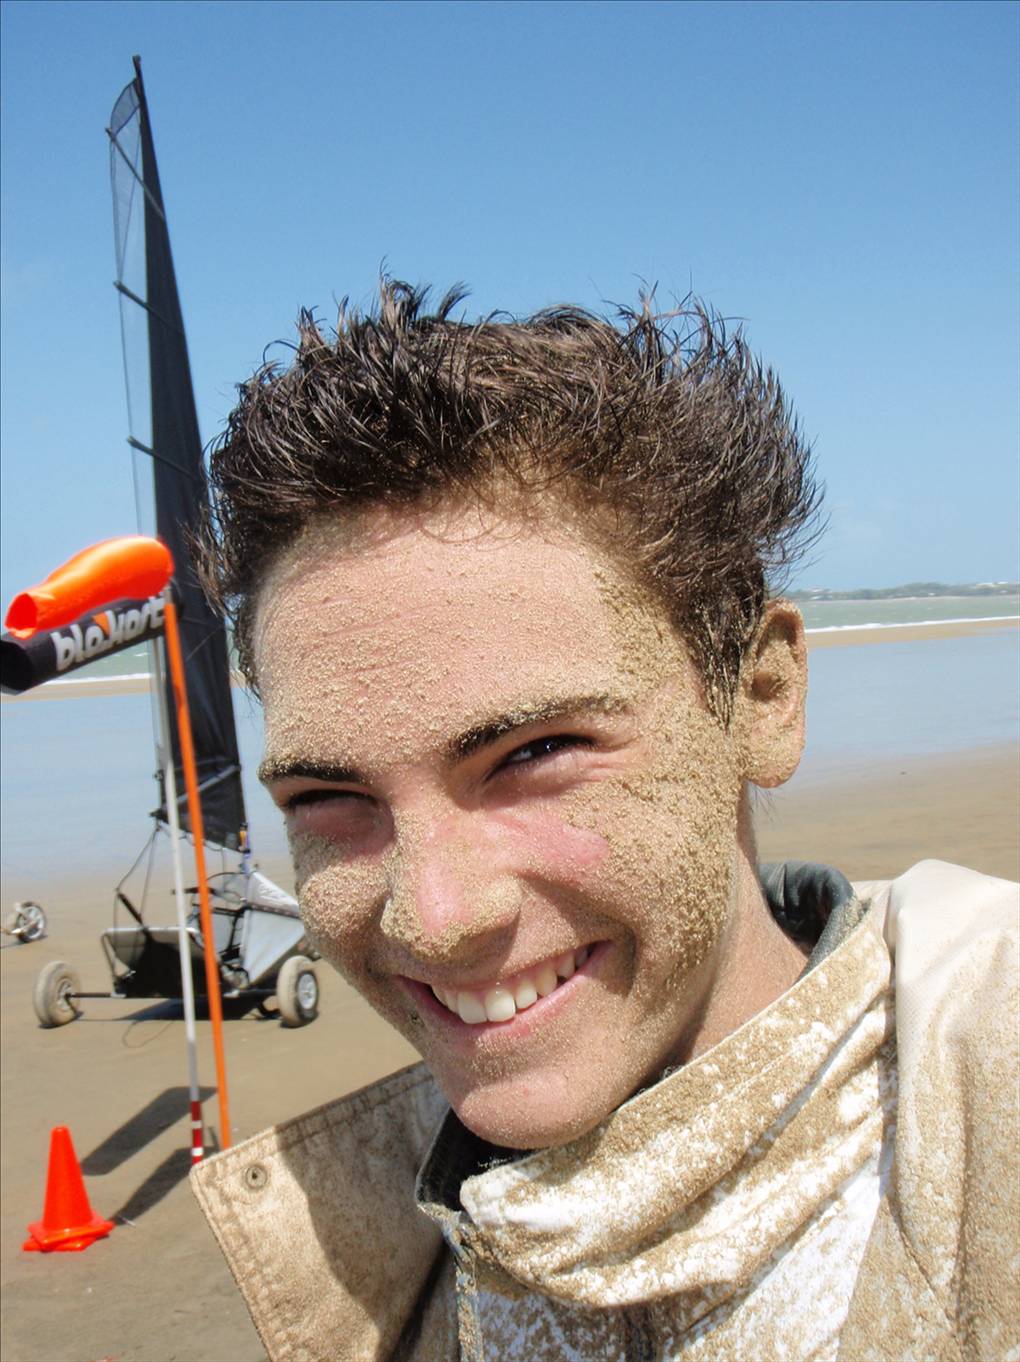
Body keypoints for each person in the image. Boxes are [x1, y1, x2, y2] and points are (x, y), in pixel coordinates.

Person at [191, 281, 1018, 1362]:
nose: (435, 919)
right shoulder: (366, 1254)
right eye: (329, 800)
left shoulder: (989, 1099)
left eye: (535, 754)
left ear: (761, 699)